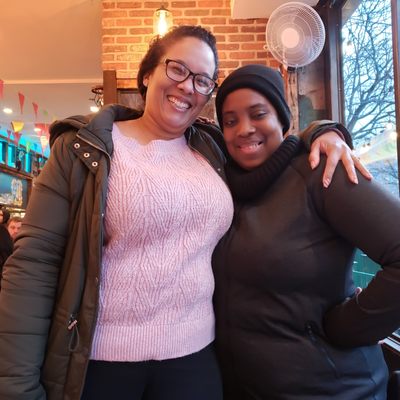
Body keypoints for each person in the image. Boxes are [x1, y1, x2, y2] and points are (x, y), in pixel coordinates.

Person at [0, 26, 366, 400]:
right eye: (177, 69)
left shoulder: (212, 150)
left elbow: (269, 141)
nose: (189, 86)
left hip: (196, 360)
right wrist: (16, 387)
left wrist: (326, 130)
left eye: (203, 80)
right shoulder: (82, 149)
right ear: (148, 74)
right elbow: (33, 266)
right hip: (100, 363)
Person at [212, 64, 400, 400]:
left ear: (282, 119)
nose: (244, 129)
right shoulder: (220, 188)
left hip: (333, 389)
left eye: (258, 114)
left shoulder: (322, 172)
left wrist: (348, 327)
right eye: (230, 120)